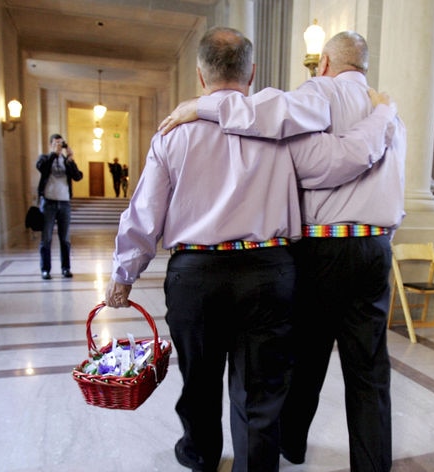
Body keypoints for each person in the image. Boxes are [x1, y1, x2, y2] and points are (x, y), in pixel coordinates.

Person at [105, 27, 398, 472]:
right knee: (262, 388)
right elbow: (336, 164)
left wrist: (123, 275)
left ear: (200, 77)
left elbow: (144, 213)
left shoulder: (173, 133)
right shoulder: (282, 130)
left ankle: (200, 454)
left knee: (199, 380)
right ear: (253, 72)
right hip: (269, 269)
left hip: (196, 273)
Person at [36, 134, 83, 279]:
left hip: (64, 203)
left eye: (60, 143)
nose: (58, 146)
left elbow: (77, 176)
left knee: (65, 239)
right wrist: (53, 155)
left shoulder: (66, 161)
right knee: (47, 238)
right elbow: (41, 168)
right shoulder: (45, 158)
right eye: (56, 143)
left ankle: (65, 268)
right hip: (48, 203)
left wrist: (70, 159)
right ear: (51, 144)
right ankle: (45, 269)